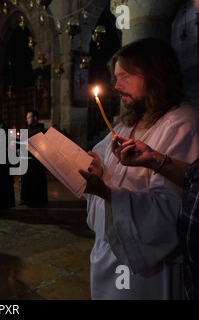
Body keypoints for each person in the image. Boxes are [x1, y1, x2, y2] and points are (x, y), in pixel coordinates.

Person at [77, 37, 199, 299]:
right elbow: (99, 159)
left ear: (156, 76)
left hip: (147, 267)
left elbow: (172, 210)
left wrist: (108, 194)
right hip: (107, 252)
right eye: (116, 77)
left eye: (127, 76)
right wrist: (94, 166)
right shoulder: (124, 126)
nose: (117, 86)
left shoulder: (181, 124)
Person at [111, 135, 199, 300]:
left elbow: (166, 209)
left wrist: (105, 192)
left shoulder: (182, 124)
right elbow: (192, 177)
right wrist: (153, 158)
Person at [20, 110, 48, 207]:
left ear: (35, 118)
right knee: (26, 180)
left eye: (29, 117)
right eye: (27, 117)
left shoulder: (41, 130)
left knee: (36, 180)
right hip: (26, 158)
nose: (27, 119)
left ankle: (37, 200)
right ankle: (26, 198)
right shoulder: (26, 129)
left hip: (36, 161)